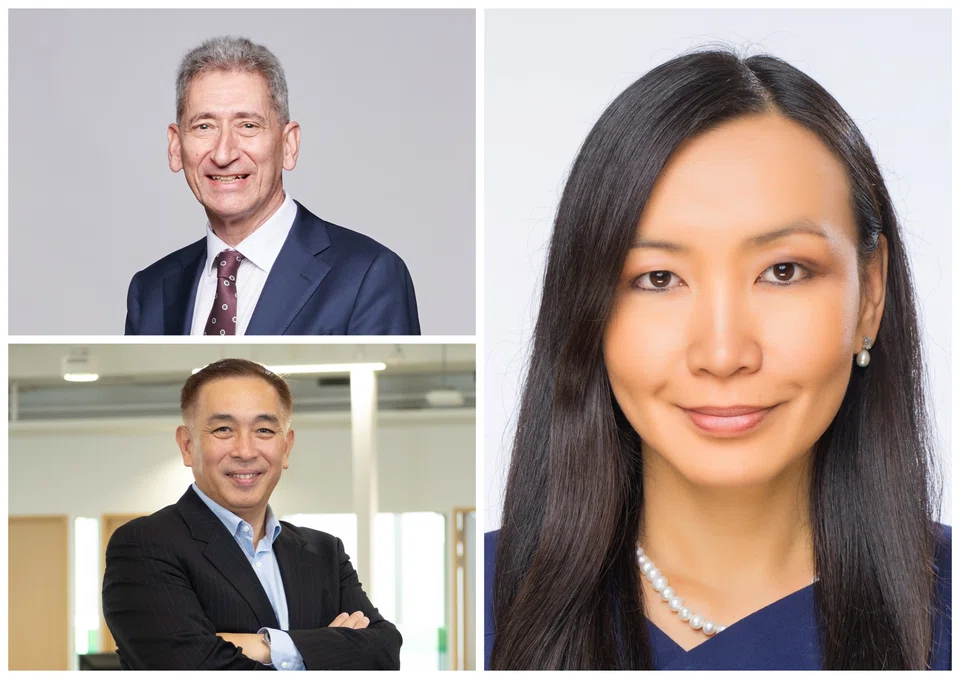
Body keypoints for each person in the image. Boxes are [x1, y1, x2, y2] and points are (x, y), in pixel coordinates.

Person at [485, 50, 951, 670]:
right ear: (587, 308)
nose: (724, 353)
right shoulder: (474, 598)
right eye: (657, 278)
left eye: (783, 272)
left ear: (871, 294)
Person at [102, 358, 401, 669]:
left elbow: (385, 652)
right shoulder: (145, 545)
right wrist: (328, 647)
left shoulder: (325, 553)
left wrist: (267, 646)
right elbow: (192, 667)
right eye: (223, 429)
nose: (245, 451)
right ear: (187, 445)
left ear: (286, 448)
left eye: (264, 430)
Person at [124, 36, 420, 336]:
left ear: (288, 144)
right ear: (176, 146)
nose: (224, 153)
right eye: (204, 126)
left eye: (248, 126)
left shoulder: (368, 275)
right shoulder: (150, 291)